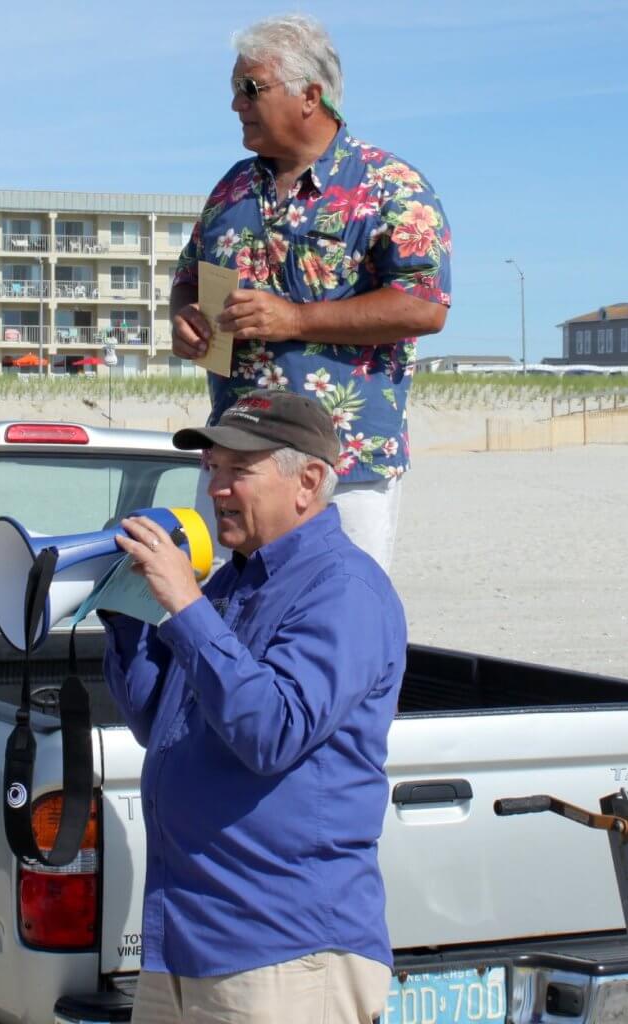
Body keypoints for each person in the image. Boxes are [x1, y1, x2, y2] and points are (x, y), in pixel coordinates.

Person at [102, 390, 406, 1024]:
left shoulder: (343, 589)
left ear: (310, 482)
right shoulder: (233, 581)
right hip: (187, 939)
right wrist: (124, 614)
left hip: (285, 950)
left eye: (238, 470)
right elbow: (159, 723)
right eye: (210, 468)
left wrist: (186, 607)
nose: (215, 488)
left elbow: (270, 731)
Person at [170, 13, 451, 573]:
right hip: (237, 460)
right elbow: (188, 279)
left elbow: (423, 305)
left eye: (249, 88)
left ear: (309, 95)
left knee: (337, 622)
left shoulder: (391, 185)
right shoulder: (231, 189)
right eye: (234, 90)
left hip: (340, 464)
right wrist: (185, 319)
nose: (235, 104)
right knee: (229, 623)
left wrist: (294, 319)